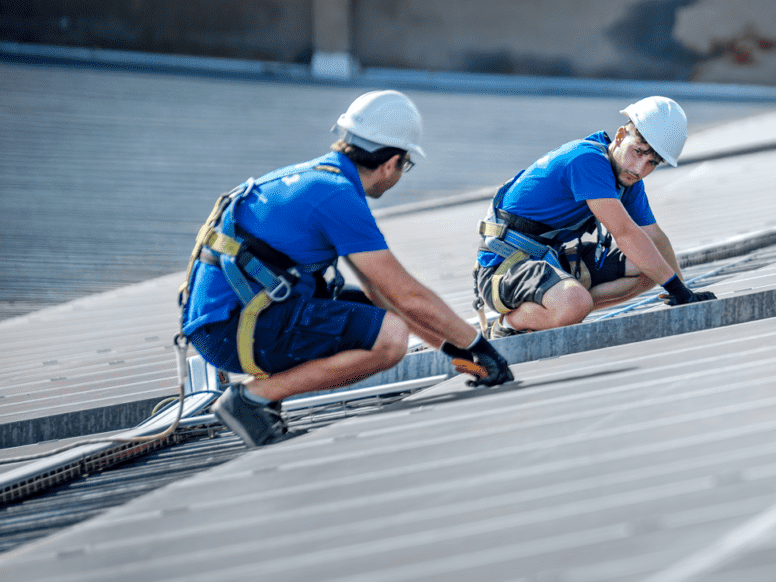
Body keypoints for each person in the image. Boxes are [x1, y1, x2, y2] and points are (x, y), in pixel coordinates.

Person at [180, 90, 513, 448]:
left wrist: (454, 351)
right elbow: (408, 294)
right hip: (234, 330)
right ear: (392, 163)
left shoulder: (316, 179)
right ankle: (252, 400)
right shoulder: (337, 196)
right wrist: (480, 345)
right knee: (389, 340)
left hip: (226, 322)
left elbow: (382, 295)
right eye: (406, 165)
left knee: (370, 314)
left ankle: (264, 398)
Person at [474, 95, 716, 337]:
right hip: (503, 268)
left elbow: (653, 236)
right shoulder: (587, 160)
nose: (640, 169)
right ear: (621, 136)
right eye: (638, 152)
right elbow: (624, 232)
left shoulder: (627, 179)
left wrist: (684, 291)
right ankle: (509, 325)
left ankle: (563, 307)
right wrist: (675, 287)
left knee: (650, 267)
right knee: (576, 303)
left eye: (652, 162)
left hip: (546, 260)